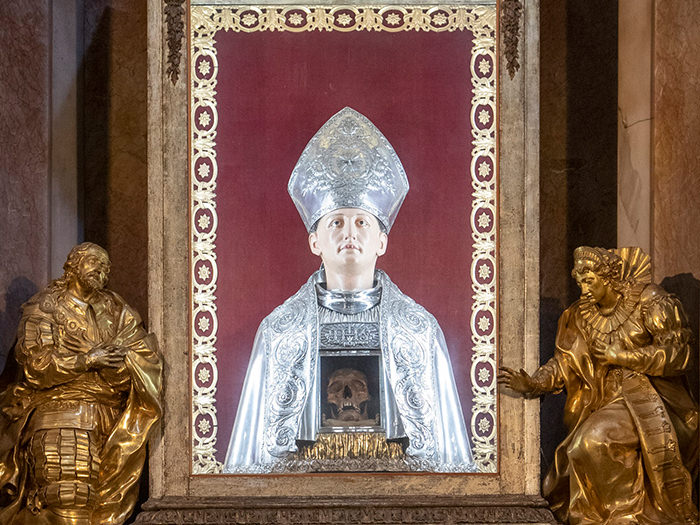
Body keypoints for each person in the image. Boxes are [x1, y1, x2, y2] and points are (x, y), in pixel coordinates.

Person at [224, 107, 474, 473]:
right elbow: (249, 474)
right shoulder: (279, 333)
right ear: (314, 241)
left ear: (382, 241)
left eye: (361, 221)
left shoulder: (419, 332)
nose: (349, 233)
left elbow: (448, 470)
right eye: (336, 222)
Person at [500, 246, 698, 524]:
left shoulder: (651, 300)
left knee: (594, 440)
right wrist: (534, 382)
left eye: (589, 281)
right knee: (582, 445)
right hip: (604, 399)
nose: (583, 290)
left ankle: (627, 514)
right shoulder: (580, 315)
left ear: (609, 278)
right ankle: (604, 515)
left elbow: (680, 354)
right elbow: (565, 363)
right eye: (579, 283)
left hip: (656, 401)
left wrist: (625, 357)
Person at [0, 242, 162, 525]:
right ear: (73, 265)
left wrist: (118, 367)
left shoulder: (114, 307)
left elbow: (142, 354)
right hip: (63, 413)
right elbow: (35, 364)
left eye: (106, 267)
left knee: (103, 510)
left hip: (113, 421)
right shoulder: (45, 306)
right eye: (94, 263)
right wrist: (86, 360)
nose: (101, 270)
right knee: (68, 501)